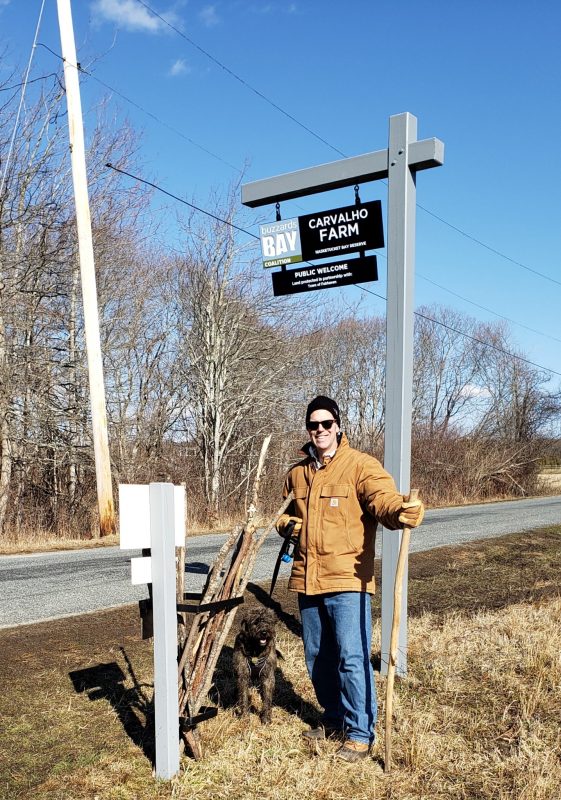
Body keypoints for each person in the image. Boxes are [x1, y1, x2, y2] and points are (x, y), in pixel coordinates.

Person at [276, 395, 424, 762]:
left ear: (339, 426)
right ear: (308, 430)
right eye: (314, 425)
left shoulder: (360, 466)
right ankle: (334, 719)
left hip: (347, 581)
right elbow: (281, 515)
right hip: (306, 579)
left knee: (351, 658)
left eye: (327, 424)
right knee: (317, 657)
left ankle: (360, 732)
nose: (320, 430)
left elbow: (383, 501)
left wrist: (401, 511)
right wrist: (286, 525)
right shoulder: (297, 473)